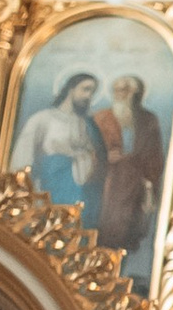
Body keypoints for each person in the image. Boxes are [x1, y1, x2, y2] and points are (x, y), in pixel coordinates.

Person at [91, 71, 166, 269]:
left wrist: (149, 183)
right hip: (107, 182)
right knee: (103, 228)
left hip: (134, 184)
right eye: (118, 89)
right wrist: (104, 158)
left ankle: (117, 274)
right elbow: (88, 148)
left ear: (137, 94)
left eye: (127, 90)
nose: (121, 94)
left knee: (127, 230)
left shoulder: (148, 120)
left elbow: (154, 155)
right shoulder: (101, 117)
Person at [15, 71, 106, 219]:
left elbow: (94, 156)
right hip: (49, 186)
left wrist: (81, 156)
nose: (88, 96)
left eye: (92, 92)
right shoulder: (43, 118)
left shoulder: (84, 124)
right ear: (71, 88)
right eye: (86, 89)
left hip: (79, 192)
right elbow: (23, 156)